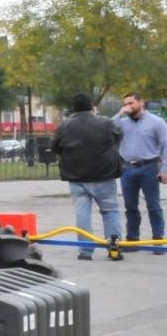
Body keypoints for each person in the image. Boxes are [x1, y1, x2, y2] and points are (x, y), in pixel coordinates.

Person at [51, 93, 123, 260]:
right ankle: (114, 249)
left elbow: (55, 146)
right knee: (110, 211)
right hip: (104, 175)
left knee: (82, 214)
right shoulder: (106, 123)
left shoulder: (64, 126)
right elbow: (119, 136)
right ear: (91, 106)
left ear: (73, 108)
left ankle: (85, 252)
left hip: (76, 177)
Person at [112, 92, 167, 255]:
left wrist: (165, 169)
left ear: (141, 102)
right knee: (130, 207)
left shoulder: (156, 122)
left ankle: (158, 240)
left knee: (153, 206)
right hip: (127, 169)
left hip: (149, 167)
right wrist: (120, 114)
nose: (128, 106)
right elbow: (107, 128)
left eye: (131, 103)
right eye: (125, 104)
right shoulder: (122, 122)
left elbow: (165, 146)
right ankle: (132, 240)